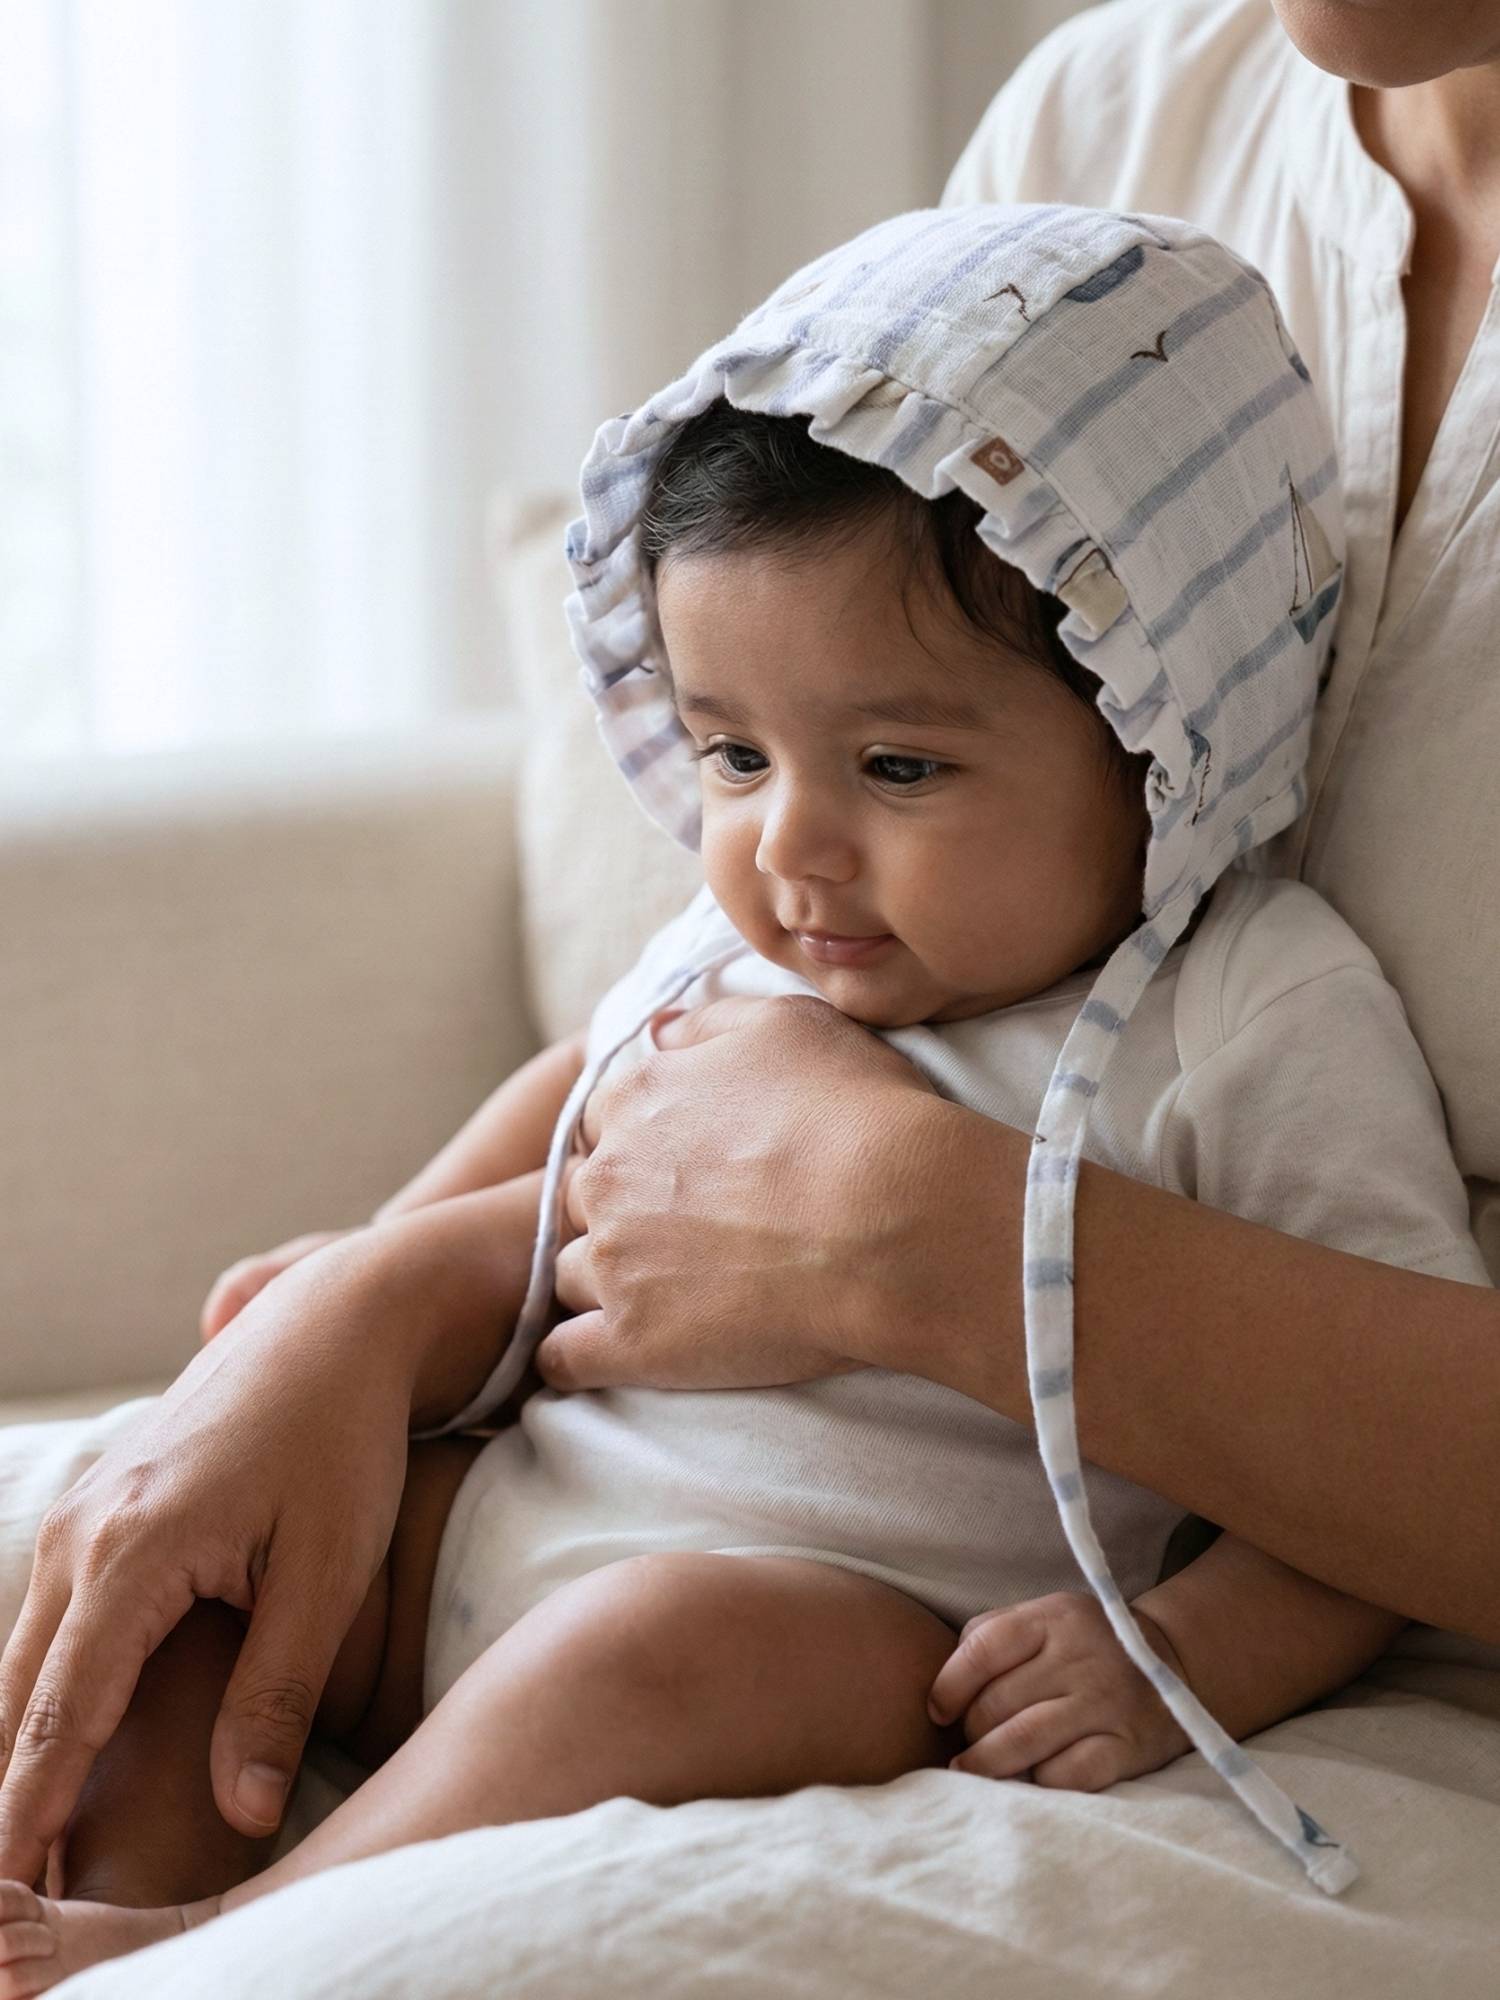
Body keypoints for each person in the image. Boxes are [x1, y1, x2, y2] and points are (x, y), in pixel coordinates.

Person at [0, 0, 1497, 1974]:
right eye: (728, 757)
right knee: (168, 1587)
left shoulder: (1251, 1007)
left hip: (808, 1616)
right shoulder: (1126, 107)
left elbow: (1362, 1441)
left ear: (1162, 742)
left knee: (662, 1646)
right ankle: (98, 1865)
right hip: (520, 1506)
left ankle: (227, 1925)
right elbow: (575, 1126)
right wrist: (336, 1325)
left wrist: (1175, 1652)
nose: (790, 844)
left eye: (897, 770)